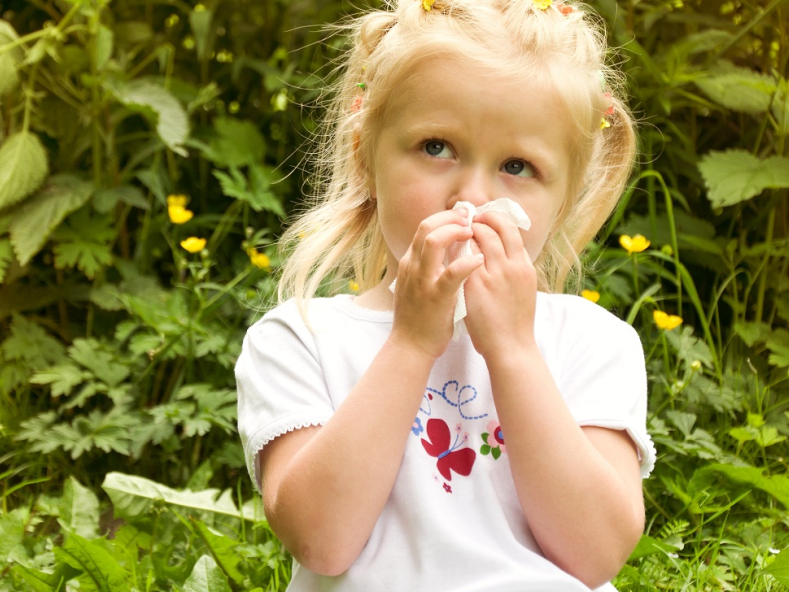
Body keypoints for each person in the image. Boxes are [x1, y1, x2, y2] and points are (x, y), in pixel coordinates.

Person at [235, 0, 655, 589]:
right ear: (365, 155)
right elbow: (320, 541)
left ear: (563, 200)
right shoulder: (299, 339)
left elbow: (596, 554)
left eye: (517, 165)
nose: (472, 195)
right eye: (436, 147)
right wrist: (410, 342)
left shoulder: (592, 343)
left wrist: (513, 350)